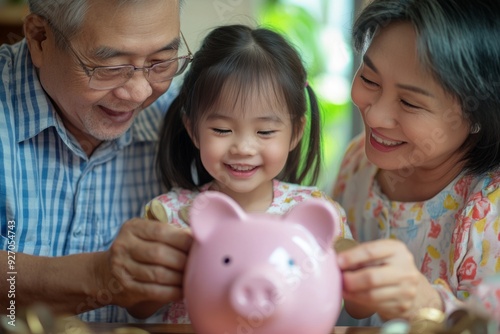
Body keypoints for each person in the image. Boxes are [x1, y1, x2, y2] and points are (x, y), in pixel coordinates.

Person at [127, 24, 369, 323]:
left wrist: (353, 268)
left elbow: (360, 307)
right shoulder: (170, 215)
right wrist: (174, 266)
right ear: (192, 129)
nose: (243, 147)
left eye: (265, 131)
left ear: (295, 133)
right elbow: (137, 307)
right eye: (222, 130)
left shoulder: (315, 211)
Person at [0, 0, 194, 322]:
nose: (139, 92)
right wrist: (96, 277)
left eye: (161, 62)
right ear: (39, 38)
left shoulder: (190, 126)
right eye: (111, 67)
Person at [332, 0, 500, 326]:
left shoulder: (489, 213)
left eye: (409, 102)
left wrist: (426, 303)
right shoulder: (358, 163)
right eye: (369, 79)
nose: (375, 115)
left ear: (480, 116)